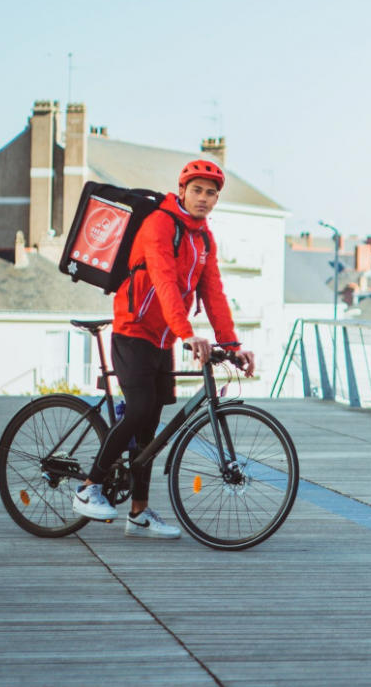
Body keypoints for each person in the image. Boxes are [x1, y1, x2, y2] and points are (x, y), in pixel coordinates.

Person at [72, 160, 256, 539]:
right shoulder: (159, 223)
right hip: (132, 330)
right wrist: (188, 333)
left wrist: (232, 344)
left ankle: (138, 514)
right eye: (197, 190)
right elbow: (164, 280)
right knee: (138, 410)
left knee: (151, 430)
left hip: (162, 339)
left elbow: (213, 292)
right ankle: (89, 487)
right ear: (183, 189)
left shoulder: (204, 239)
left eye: (211, 193)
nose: (203, 198)